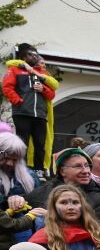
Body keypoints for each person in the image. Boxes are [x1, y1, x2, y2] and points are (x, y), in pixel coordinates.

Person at [27, 147, 100, 235]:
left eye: (87, 166)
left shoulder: (99, 199)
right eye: (78, 166)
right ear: (62, 171)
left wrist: (52, 218)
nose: (86, 171)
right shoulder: (41, 193)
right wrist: (16, 200)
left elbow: (99, 232)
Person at [3, 44, 58, 174]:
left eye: (35, 55)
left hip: (39, 114)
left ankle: (39, 170)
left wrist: (43, 89)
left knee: (40, 144)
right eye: (30, 54)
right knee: (23, 143)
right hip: (22, 113)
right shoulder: (15, 70)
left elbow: (51, 94)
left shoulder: (41, 73)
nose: (34, 57)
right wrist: (18, 102)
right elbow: (7, 87)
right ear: (23, 56)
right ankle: (20, 169)